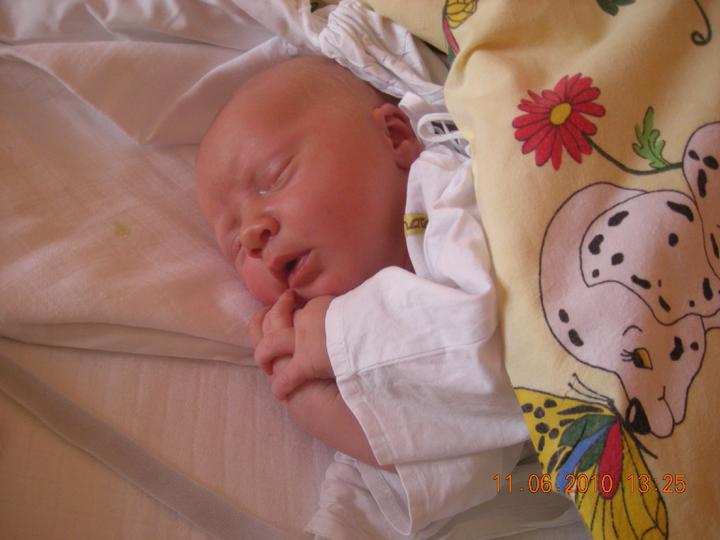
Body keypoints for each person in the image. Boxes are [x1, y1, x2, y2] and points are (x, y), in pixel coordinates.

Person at [195, 55, 529, 535]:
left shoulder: (448, 190)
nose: (251, 233)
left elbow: (495, 342)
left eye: (274, 177)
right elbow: (474, 462)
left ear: (395, 137)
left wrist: (339, 337)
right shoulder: (347, 358)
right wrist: (323, 409)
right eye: (233, 244)